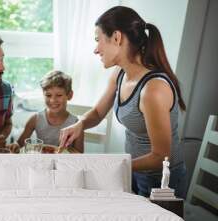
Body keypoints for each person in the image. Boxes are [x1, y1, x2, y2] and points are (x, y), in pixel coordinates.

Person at [59, 6, 187, 198]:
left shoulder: (153, 90)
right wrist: (81, 124)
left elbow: (162, 157)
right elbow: (98, 113)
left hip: (162, 183)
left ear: (117, 38)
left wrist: (113, 165)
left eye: (97, 39)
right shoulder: (120, 74)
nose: (95, 49)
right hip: (134, 172)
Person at [10, 70, 84, 153]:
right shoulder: (35, 119)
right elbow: (20, 144)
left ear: (69, 95)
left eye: (59, 95)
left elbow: (79, 155)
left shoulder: (76, 124)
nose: (52, 100)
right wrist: (15, 146)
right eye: (48, 95)